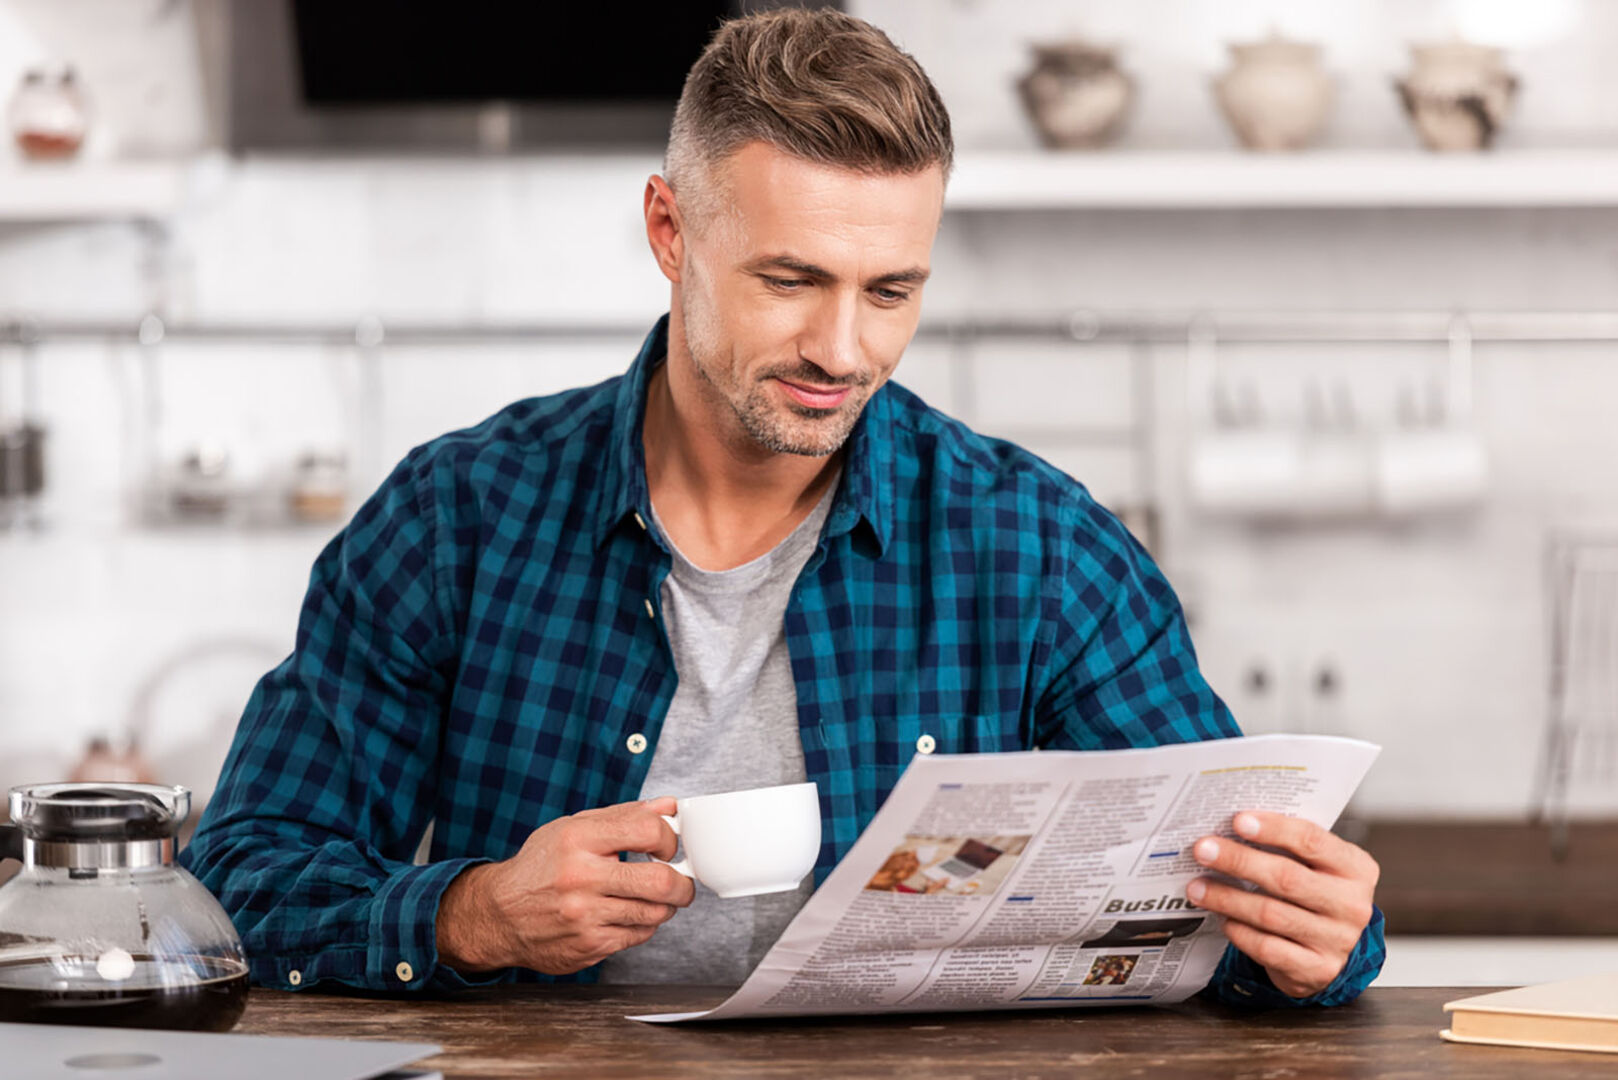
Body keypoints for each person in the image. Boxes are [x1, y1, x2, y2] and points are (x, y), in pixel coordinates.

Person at [182, 9, 1384, 1006]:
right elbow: (240, 882)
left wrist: (1318, 942)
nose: (841, 347)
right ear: (670, 230)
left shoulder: (1037, 544)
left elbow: (1217, 911)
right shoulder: (455, 519)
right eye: (790, 279)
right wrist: (473, 914)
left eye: (891, 289)